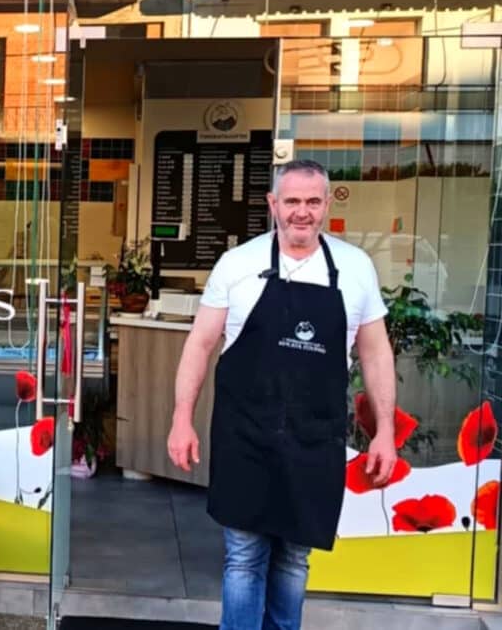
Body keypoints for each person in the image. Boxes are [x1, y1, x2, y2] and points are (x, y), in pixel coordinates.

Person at [167, 159, 398, 630]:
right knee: (244, 556)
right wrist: (181, 417)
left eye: (312, 201)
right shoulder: (238, 263)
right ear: (273, 204)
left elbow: (376, 353)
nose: (302, 212)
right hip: (245, 434)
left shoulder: (355, 268)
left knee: (294, 558)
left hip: (314, 437)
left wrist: (385, 431)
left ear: (327, 205)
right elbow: (200, 344)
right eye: (292, 201)